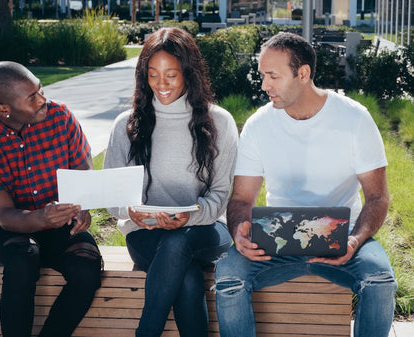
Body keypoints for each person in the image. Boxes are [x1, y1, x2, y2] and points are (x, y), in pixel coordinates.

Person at [214, 32, 397, 337]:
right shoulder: (259, 125)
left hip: (344, 236)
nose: (264, 85)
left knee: (380, 281)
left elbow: (378, 197)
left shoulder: (354, 119)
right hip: (277, 238)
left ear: (303, 73)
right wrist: (238, 232)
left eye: (273, 76)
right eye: (262, 76)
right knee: (229, 276)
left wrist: (354, 241)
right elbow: (242, 200)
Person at [103, 27, 237, 337]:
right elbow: (113, 198)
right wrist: (130, 210)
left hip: (205, 231)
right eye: (153, 75)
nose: (161, 85)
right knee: (188, 277)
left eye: (171, 75)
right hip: (145, 233)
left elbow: (219, 197)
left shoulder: (219, 122)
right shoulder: (126, 125)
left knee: (179, 241)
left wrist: (189, 216)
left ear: (189, 73)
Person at [0, 61, 102, 337]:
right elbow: (4, 215)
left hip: (60, 224)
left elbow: (84, 174)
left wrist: (81, 208)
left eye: (40, 89)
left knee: (87, 268)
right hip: (8, 230)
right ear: (4, 109)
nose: (43, 100)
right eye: (32, 97)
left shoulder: (61, 117)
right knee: (24, 259)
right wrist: (41, 216)